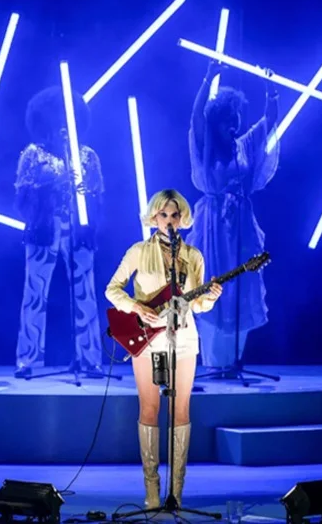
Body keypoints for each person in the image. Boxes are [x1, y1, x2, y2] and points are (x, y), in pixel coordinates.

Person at [105, 189, 222, 508]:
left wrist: (210, 296)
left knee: (181, 410)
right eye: (163, 215)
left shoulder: (193, 256)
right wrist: (135, 307)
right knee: (149, 408)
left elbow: (197, 306)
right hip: (147, 341)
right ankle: (152, 490)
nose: (169, 221)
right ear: (153, 218)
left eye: (174, 215)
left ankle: (177, 492)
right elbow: (112, 289)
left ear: (183, 218)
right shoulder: (138, 252)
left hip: (184, 339)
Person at [186, 61, 279, 372]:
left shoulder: (244, 147)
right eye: (229, 119)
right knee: (213, 285)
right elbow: (197, 117)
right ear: (218, 122)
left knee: (240, 287)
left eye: (237, 118)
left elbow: (269, 123)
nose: (235, 124)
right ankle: (214, 362)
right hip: (212, 227)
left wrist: (272, 94)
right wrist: (208, 78)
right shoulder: (206, 147)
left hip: (239, 226)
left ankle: (234, 361)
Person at [13, 85, 104, 379]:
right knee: (35, 293)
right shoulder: (33, 155)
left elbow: (99, 197)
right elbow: (21, 200)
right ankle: (28, 360)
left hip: (79, 229)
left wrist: (90, 222)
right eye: (56, 120)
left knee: (85, 292)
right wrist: (49, 189)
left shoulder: (88, 156)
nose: (62, 126)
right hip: (44, 228)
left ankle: (89, 359)